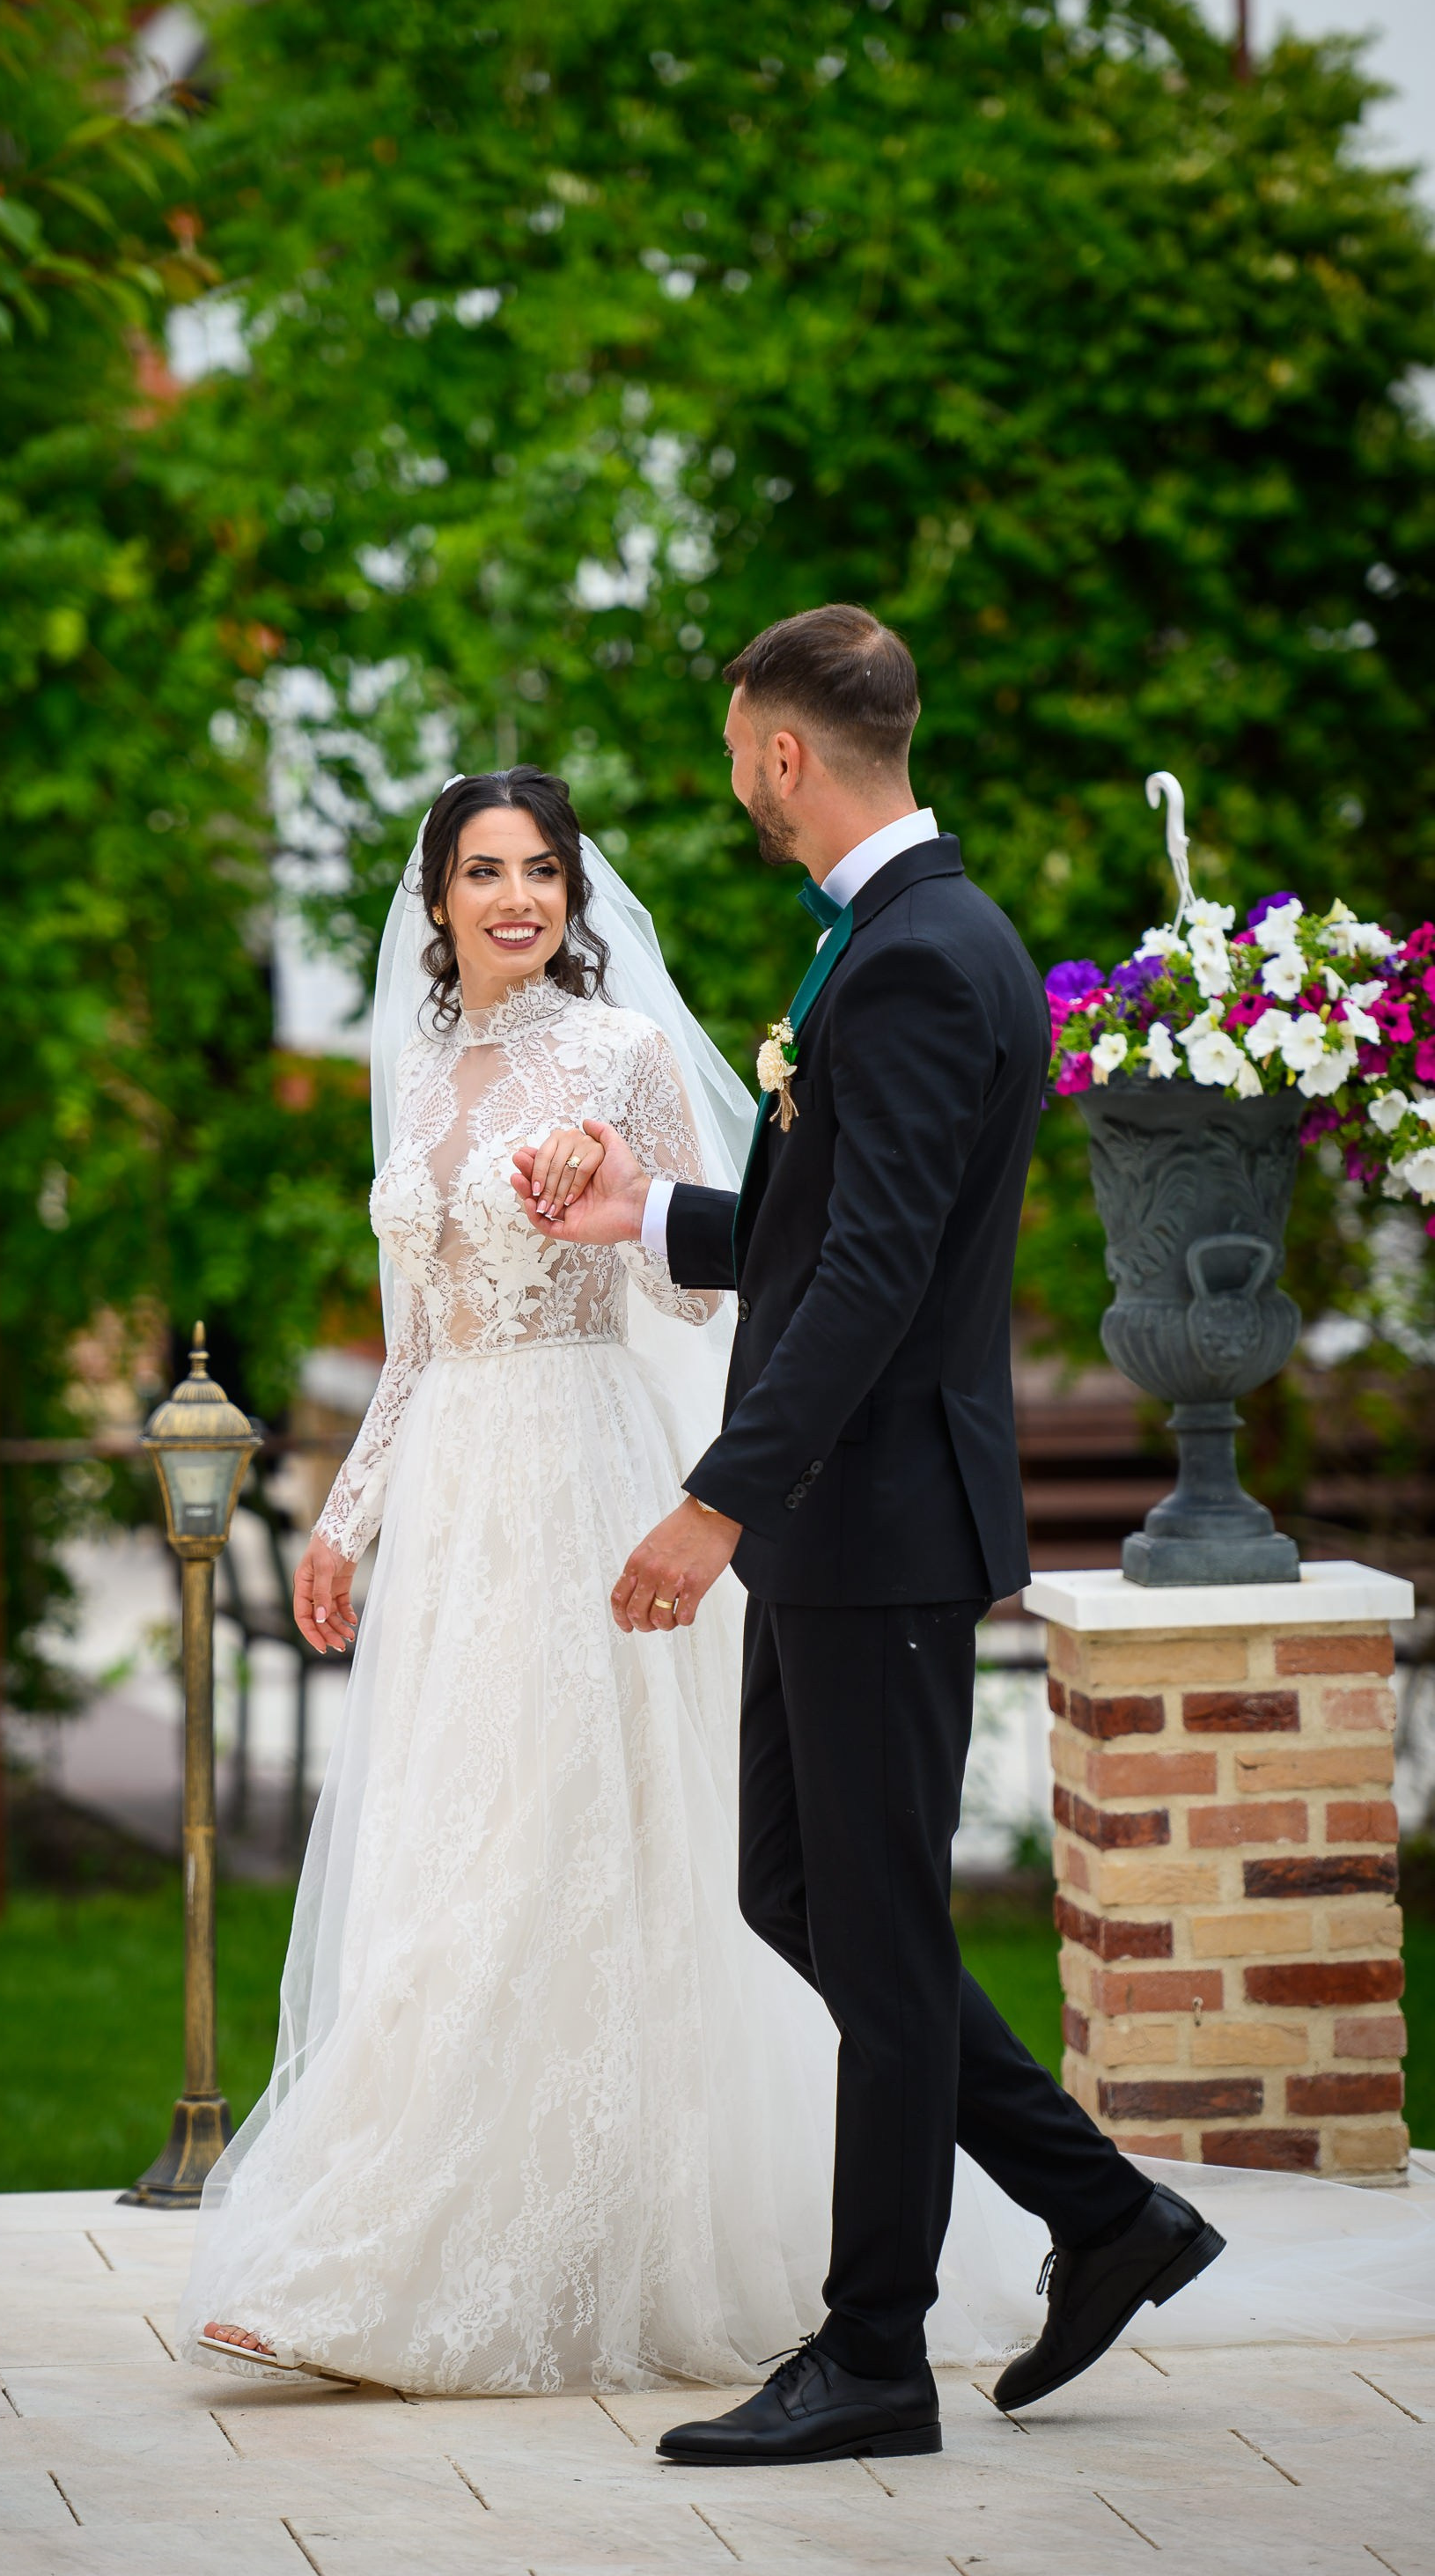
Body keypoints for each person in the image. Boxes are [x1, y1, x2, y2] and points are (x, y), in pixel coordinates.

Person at [509, 602, 1227, 2463]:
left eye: (733, 756)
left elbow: (878, 1273)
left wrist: (711, 1494)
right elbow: (827, 1228)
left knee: (875, 1928)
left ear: (775, 751)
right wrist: (648, 1221)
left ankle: (873, 2355)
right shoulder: (912, 940)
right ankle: (1101, 2211)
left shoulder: (912, 957)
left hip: (870, 1514)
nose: (736, 787)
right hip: (854, 1523)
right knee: (805, 1895)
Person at [177, 765, 846, 2393]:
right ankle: (384, 2235)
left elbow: (710, 1299)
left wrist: (616, 1212)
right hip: (459, 1501)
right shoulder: (414, 1067)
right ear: (436, 899)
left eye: (541, 871)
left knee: (564, 1850)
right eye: (484, 872)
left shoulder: (617, 1056)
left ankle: (477, 2266)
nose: (518, 900)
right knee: (442, 1851)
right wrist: (346, 1519)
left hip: (581, 1470)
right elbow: (414, 1342)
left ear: (572, 893)